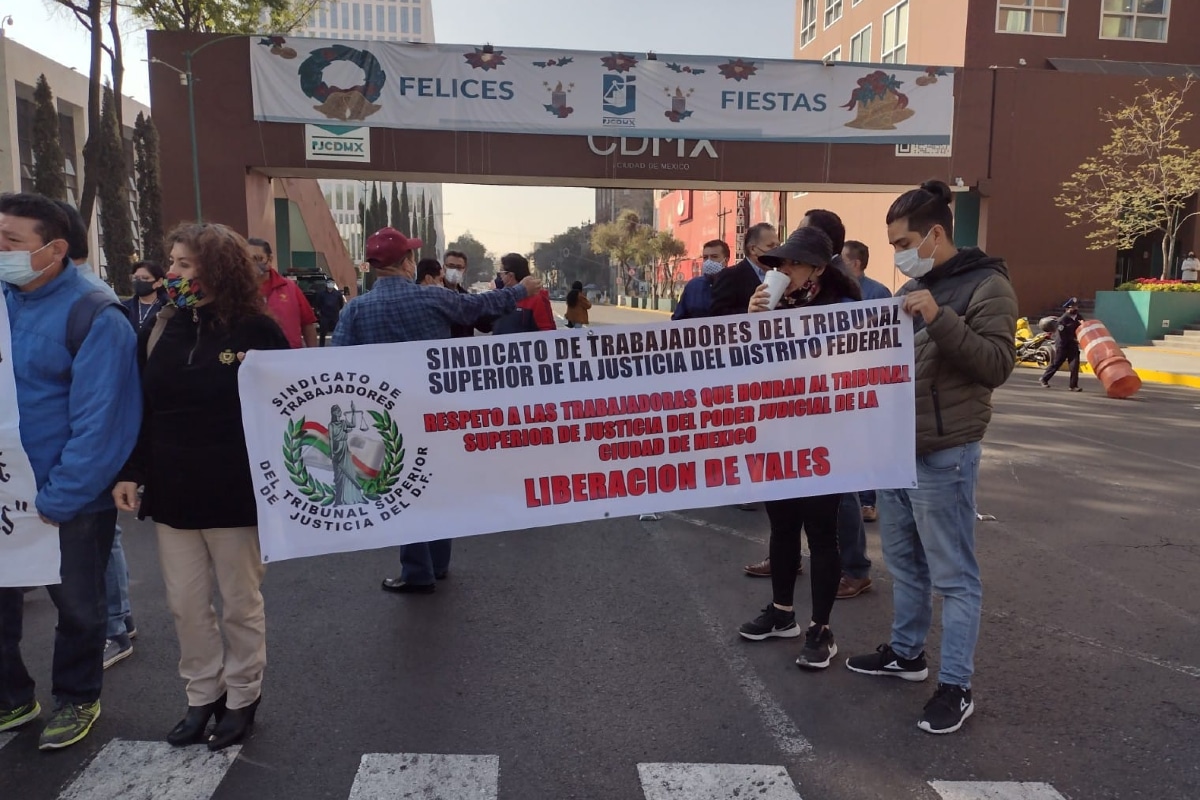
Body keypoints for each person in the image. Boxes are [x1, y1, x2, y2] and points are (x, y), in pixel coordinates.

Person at [846, 180, 1017, 735]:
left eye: (902, 242)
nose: (896, 253)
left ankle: (956, 686)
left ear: (936, 233)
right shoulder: (916, 287)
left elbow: (995, 365)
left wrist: (940, 317)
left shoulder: (987, 285)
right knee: (904, 564)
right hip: (898, 451)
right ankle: (906, 653)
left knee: (954, 576)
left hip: (944, 454)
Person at [114, 222, 291, 751]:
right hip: (172, 491)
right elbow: (144, 409)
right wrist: (133, 471)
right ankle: (201, 697)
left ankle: (241, 699)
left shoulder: (257, 331)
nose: (171, 273)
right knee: (185, 604)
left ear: (218, 269)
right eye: (171, 262)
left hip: (237, 493)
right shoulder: (161, 325)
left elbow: (290, 409)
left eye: (184, 265)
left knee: (239, 602)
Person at [0, 192, 141, 750]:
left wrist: (60, 497)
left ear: (54, 250)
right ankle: (12, 699)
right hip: (4, 486)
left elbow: (102, 419)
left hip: (67, 496)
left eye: (11, 241)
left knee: (78, 605)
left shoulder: (94, 313)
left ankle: (77, 697)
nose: (0, 249)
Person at [333, 228, 542, 593]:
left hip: (389, 417)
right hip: (438, 411)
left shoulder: (355, 310)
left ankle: (417, 570)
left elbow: (337, 364)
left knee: (404, 487)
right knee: (439, 484)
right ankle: (438, 563)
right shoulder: (432, 298)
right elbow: (481, 307)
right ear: (408, 263)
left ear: (371, 267)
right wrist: (521, 290)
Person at [736, 226, 861, 671]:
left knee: (821, 532)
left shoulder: (845, 309)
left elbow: (855, 369)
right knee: (783, 524)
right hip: (777, 434)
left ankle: (821, 630)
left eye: (791, 263)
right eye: (778, 263)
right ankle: (783, 613)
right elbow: (747, 369)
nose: (782, 270)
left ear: (817, 269)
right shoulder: (771, 306)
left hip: (826, 437)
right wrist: (752, 323)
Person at [55, 200, 143, 668]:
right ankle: (118, 620)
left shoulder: (89, 303)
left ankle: (113, 626)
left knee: (95, 552)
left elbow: (102, 406)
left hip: (77, 466)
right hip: (66, 465)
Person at [840, 239, 890, 526]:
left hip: (868, 379)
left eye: (843, 259)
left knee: (866, 441)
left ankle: (867, 501)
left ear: (855, 263)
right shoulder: (840, 293)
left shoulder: (877, 293)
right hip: (842, 378)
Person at [246, 237, 318, 349]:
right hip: (252, 357)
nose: (252, 264)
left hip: (288, 358)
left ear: (269, 260)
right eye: (248, 259)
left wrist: (313, 354)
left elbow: (307, 324)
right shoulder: (237, 290)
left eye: (258, 258)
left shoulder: (290, 288)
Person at [710, 223, 778, 316]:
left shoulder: (780, 274)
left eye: (778, 245)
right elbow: (717, 313)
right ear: (753, 249)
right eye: (770, 246)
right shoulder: (730, 276)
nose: (776, 250)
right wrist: (748, 312)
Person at [673, 239, 731, 320]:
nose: (709, 261)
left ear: (726, 260)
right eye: (705, 257)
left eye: (714, 257)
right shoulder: (692, 287)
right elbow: (677, 319)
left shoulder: (737, 285)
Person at [496, 253, 555, 332]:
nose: (500, 276)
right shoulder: (500, 297)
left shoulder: (537, 299)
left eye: (501, 272)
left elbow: (547, 330)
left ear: (510, 276)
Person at [1040, 298, 1083, 391]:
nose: (1076, 308)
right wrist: (1074, 339)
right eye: (1073, 307)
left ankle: (1073, 386)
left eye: (1076, 306)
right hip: (1063, 345)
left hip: (1073, 345)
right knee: (1056, 363)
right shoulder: (1062, 320)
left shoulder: (1078, 317)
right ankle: (1044, 378)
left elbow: (1083, 326)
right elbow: (1063, 335)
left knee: (1075, 365)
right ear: (1067, 309)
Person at [123, 260, 169, 335]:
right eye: (136, 278)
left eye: (145, 278)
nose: (139, 281)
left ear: (159, 282)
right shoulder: (124, 308)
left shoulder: (167, 308)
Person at [314, 280, 345, 346]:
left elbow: (341, 304)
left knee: (336, 331)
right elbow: (317, 304)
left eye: (332, 283)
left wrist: (338, 311)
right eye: (329, 282)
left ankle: (336, 345)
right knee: (323, 332)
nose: (330, 284)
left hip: (335, 315)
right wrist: (319, 311)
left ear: (334, 284)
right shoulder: (321, 293)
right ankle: (321, 346)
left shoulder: (337, 294)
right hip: (325, 315)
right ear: (326, 284)